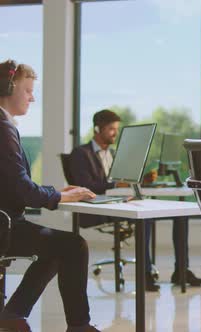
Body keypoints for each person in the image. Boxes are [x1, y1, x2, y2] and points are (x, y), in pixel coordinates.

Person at [0, 59, 99, 332]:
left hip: (6, 220)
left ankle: (13, 314)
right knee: (73, 246)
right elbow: (22, 190)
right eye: (27, 90)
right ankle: (79, 326)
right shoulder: (3, 128)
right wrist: (60, 197)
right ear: (8, 88)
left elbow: (13, 184)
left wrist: (55, 192)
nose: (32, 97)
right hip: (5, 226)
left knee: (57, 249)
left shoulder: (5, 126)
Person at [69, 110, 201, 292]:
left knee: (180, 216)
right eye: (111, 129)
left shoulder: (112, 153)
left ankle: (181, 271)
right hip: (100, 208)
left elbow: (119, 180)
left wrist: (141, 180)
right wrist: (117, 183)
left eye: (117, 129)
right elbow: (85, 185)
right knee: (146, 217)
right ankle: (145, 274)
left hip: (120, 202)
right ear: (97, 128)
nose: (115, 134)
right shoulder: (81, 153)